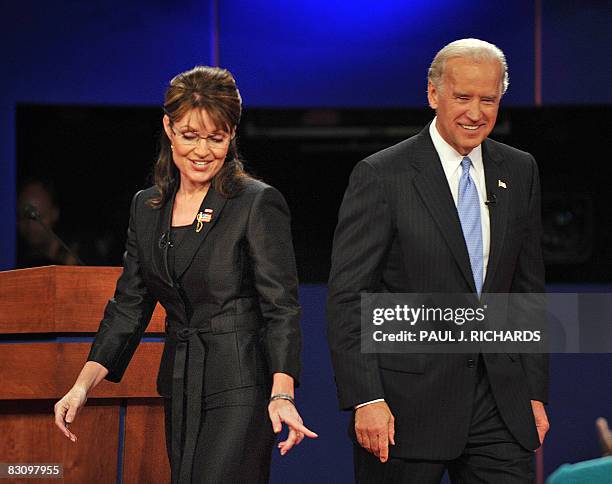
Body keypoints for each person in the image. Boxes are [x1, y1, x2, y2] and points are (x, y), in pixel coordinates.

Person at [54, 66, 316, 484]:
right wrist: (83, 385)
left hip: (240, 386)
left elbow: (281, 308)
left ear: (232, 136)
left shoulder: (255, 202)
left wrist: (282, 390)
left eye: (216, 138)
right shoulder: (147, 207)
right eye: (190, 135)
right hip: (181, 381)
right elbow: (129, 304)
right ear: (169, 128)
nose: (203, 150)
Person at [327, 39, 549, 483]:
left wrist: (534, 392)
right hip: (405, 405)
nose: (475, 112)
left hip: (499, 405)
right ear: (433, 94)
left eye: (488, 100)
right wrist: (366, 398)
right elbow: (350, 297)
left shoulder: (519, 170)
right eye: (463, 97)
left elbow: (526, 290)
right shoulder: (382, 175)